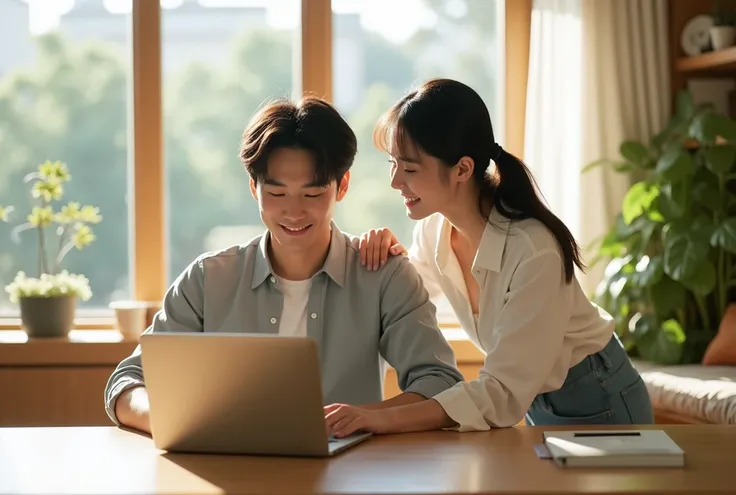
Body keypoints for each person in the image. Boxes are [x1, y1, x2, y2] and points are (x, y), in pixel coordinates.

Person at [104, 96, 464, 434]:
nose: (293, 212)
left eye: (312, 194)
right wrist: (185, 423)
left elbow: (440, 382)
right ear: (253, 188)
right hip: (231, 471)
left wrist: (366, 418)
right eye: (276, 194)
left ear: (342, 187)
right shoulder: (208, 278)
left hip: (350, 475)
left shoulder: (383, 275)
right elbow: (128, 382)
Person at [324, 78, 654, 438]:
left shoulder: (533, 249)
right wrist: (386, 253)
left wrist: (380, 418)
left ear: (463, 169)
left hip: (600, 397)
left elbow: (501, 392)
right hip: (537, 400)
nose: (394, 181)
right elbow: (404, 295)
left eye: (410, 168)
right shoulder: (433, 232)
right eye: (393, 163)